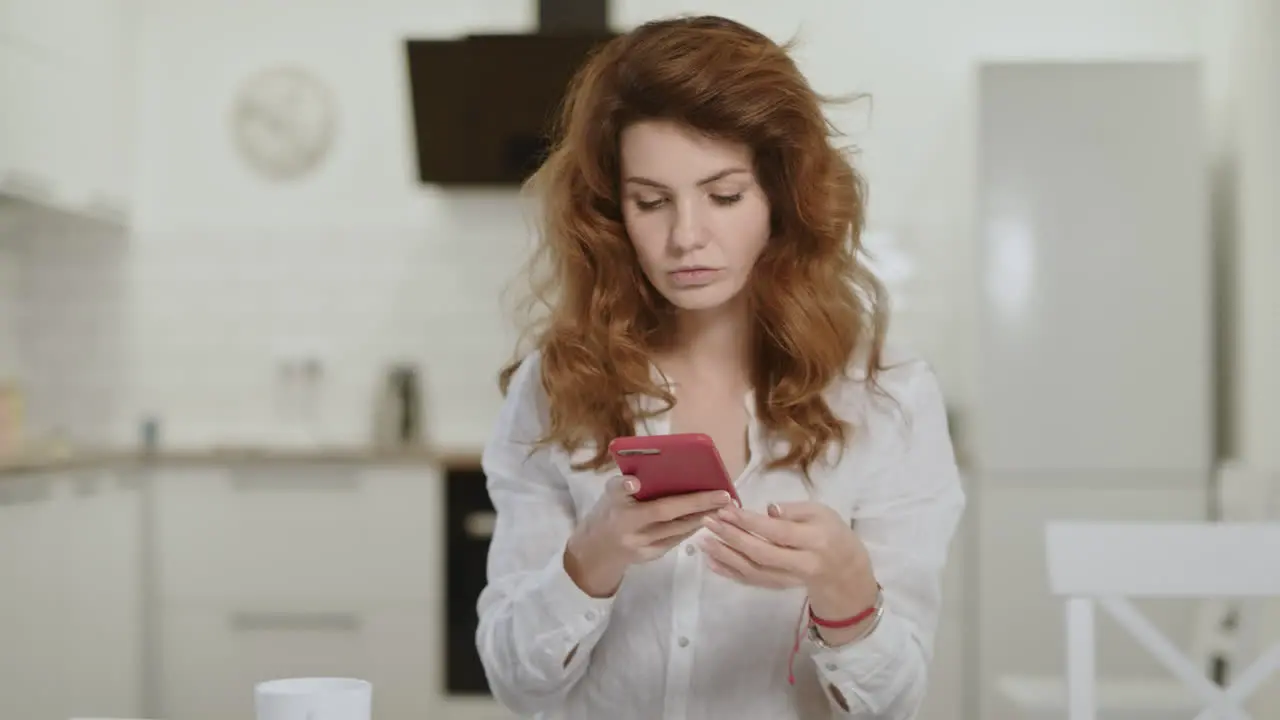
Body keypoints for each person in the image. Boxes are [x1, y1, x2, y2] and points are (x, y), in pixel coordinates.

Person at [474, 14, 966, 720]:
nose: (685, 237)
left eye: (724, 196)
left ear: (781, 200)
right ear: (614, 214)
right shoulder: (555, 390)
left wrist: (846, 589)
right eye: (651, 202)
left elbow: (892, 706)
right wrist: (592, 560)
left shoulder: (887, 400)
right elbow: (517, 686)